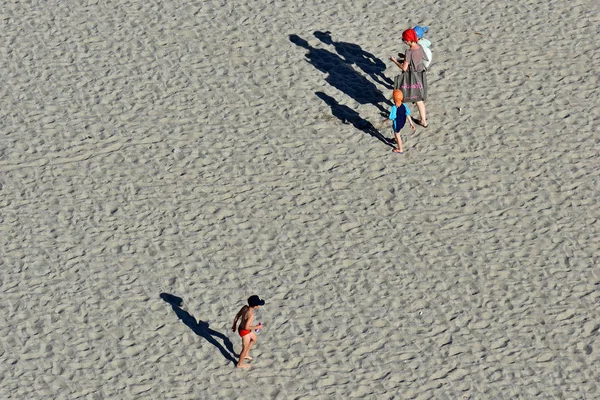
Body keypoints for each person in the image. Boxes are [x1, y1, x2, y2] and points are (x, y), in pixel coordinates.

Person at [389, 29, 429, 127]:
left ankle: (399, 115)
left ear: (409, 40)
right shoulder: (420, 47)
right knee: (419, 99)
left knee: (402, 96)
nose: (403, 41)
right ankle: (423, 120)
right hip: (420, 75)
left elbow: (404, 67)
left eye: (404, 39)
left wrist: (394, 61)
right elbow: (423, 58)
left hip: (411, 76)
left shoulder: (409, 51)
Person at [231, 295, 265, 368]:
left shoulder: (245, 307)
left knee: (254, 338)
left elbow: (237, 315)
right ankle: (239, 364)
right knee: (244, 348)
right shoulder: (251, 315)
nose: (258, 305)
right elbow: (246, 327)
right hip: (244, 332)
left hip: (241, 328)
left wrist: (234, 325)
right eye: (258, 304)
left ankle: (246, 354)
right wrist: (257, 327)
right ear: (255, 306)